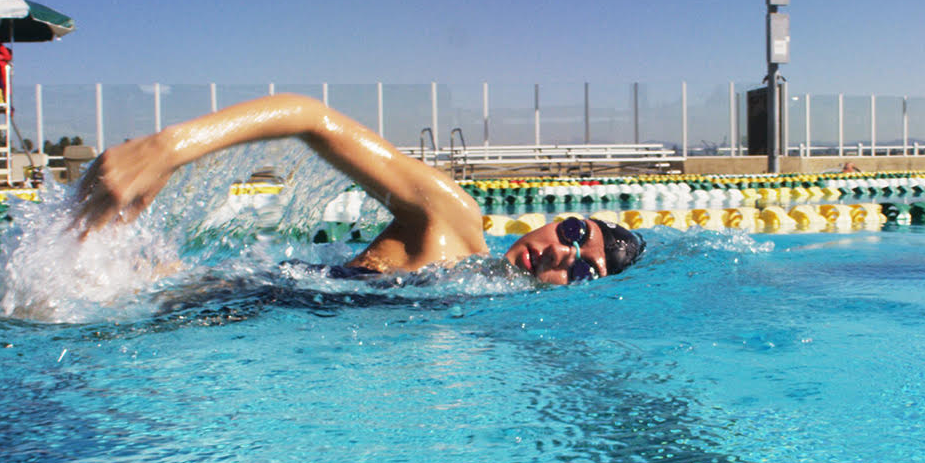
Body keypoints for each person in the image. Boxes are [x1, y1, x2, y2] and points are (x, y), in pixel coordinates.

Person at [71, 93, 644, 286]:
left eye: (579, 270)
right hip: (211, 297)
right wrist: (168, 148)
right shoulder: (454, 221)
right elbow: (314, 118)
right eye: (573, 234)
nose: (559, 252)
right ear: (555, 220)